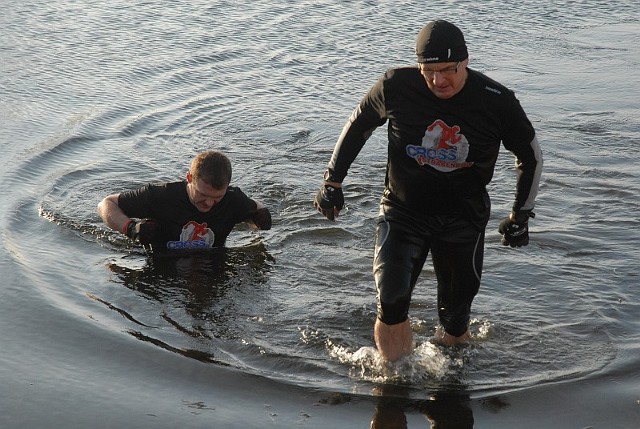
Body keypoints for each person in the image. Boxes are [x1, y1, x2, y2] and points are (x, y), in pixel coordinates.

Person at [314, 20, 542, 362]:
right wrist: (332, 181)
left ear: (465, 61)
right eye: (428, 70)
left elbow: (531, 156)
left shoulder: (496, 100)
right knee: (390, 301)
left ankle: (448, 383)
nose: (438, 81)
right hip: (403, 212)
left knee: (454, 321)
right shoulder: (396, 86)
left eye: (448, 70)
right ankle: (393, 382)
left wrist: (521, 214)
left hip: (462, 219)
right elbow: (358, 124)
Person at [98, 150, 271, 252]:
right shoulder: (160, 196)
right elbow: (106, 204)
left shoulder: (233, 199)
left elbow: (254, 210)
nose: (209, 204)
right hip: (163, 264)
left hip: (212, 261)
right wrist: (130, 228)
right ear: (189, 178)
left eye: (217, 198)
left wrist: (259, 215)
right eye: (202, 195)